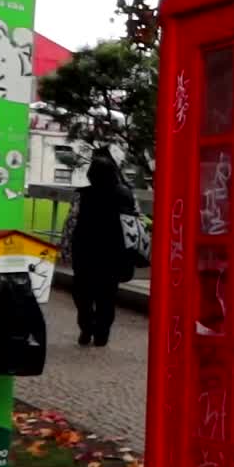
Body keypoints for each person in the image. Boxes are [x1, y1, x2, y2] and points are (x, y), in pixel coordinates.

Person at [70, 149, 137, 347]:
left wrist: (67, 251)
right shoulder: (125, 194)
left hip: (86, 251)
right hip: (114, 253)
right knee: (107, 296)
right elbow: (133, 222)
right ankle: (102, 332)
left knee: (82, 294)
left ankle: (86, 326)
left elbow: (71, 224)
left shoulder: (82, 195)